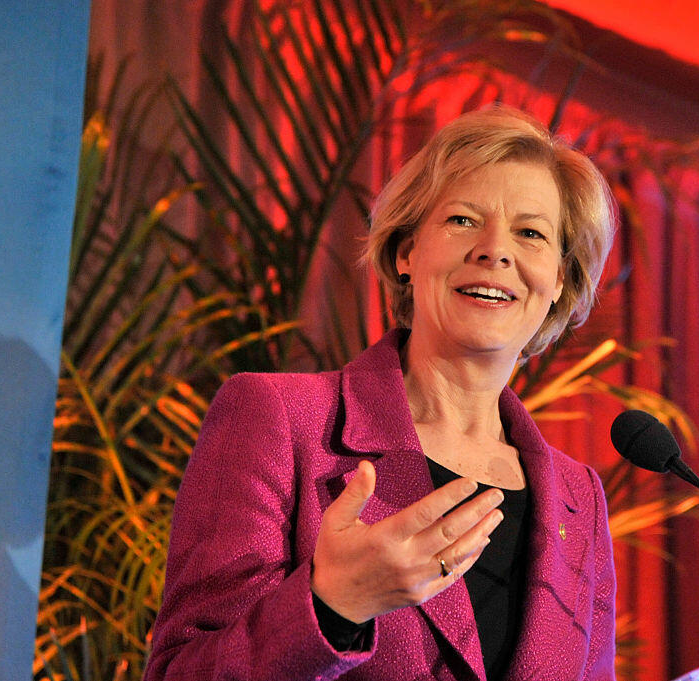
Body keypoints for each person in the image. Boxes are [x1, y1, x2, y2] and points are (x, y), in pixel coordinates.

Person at [144, 105, 617, 681]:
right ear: (405, 253)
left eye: (531, 233)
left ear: (560, 280)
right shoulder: (281, 419)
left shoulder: (579, 500)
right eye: (464, 221)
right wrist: (333, 607)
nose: (497, 250)